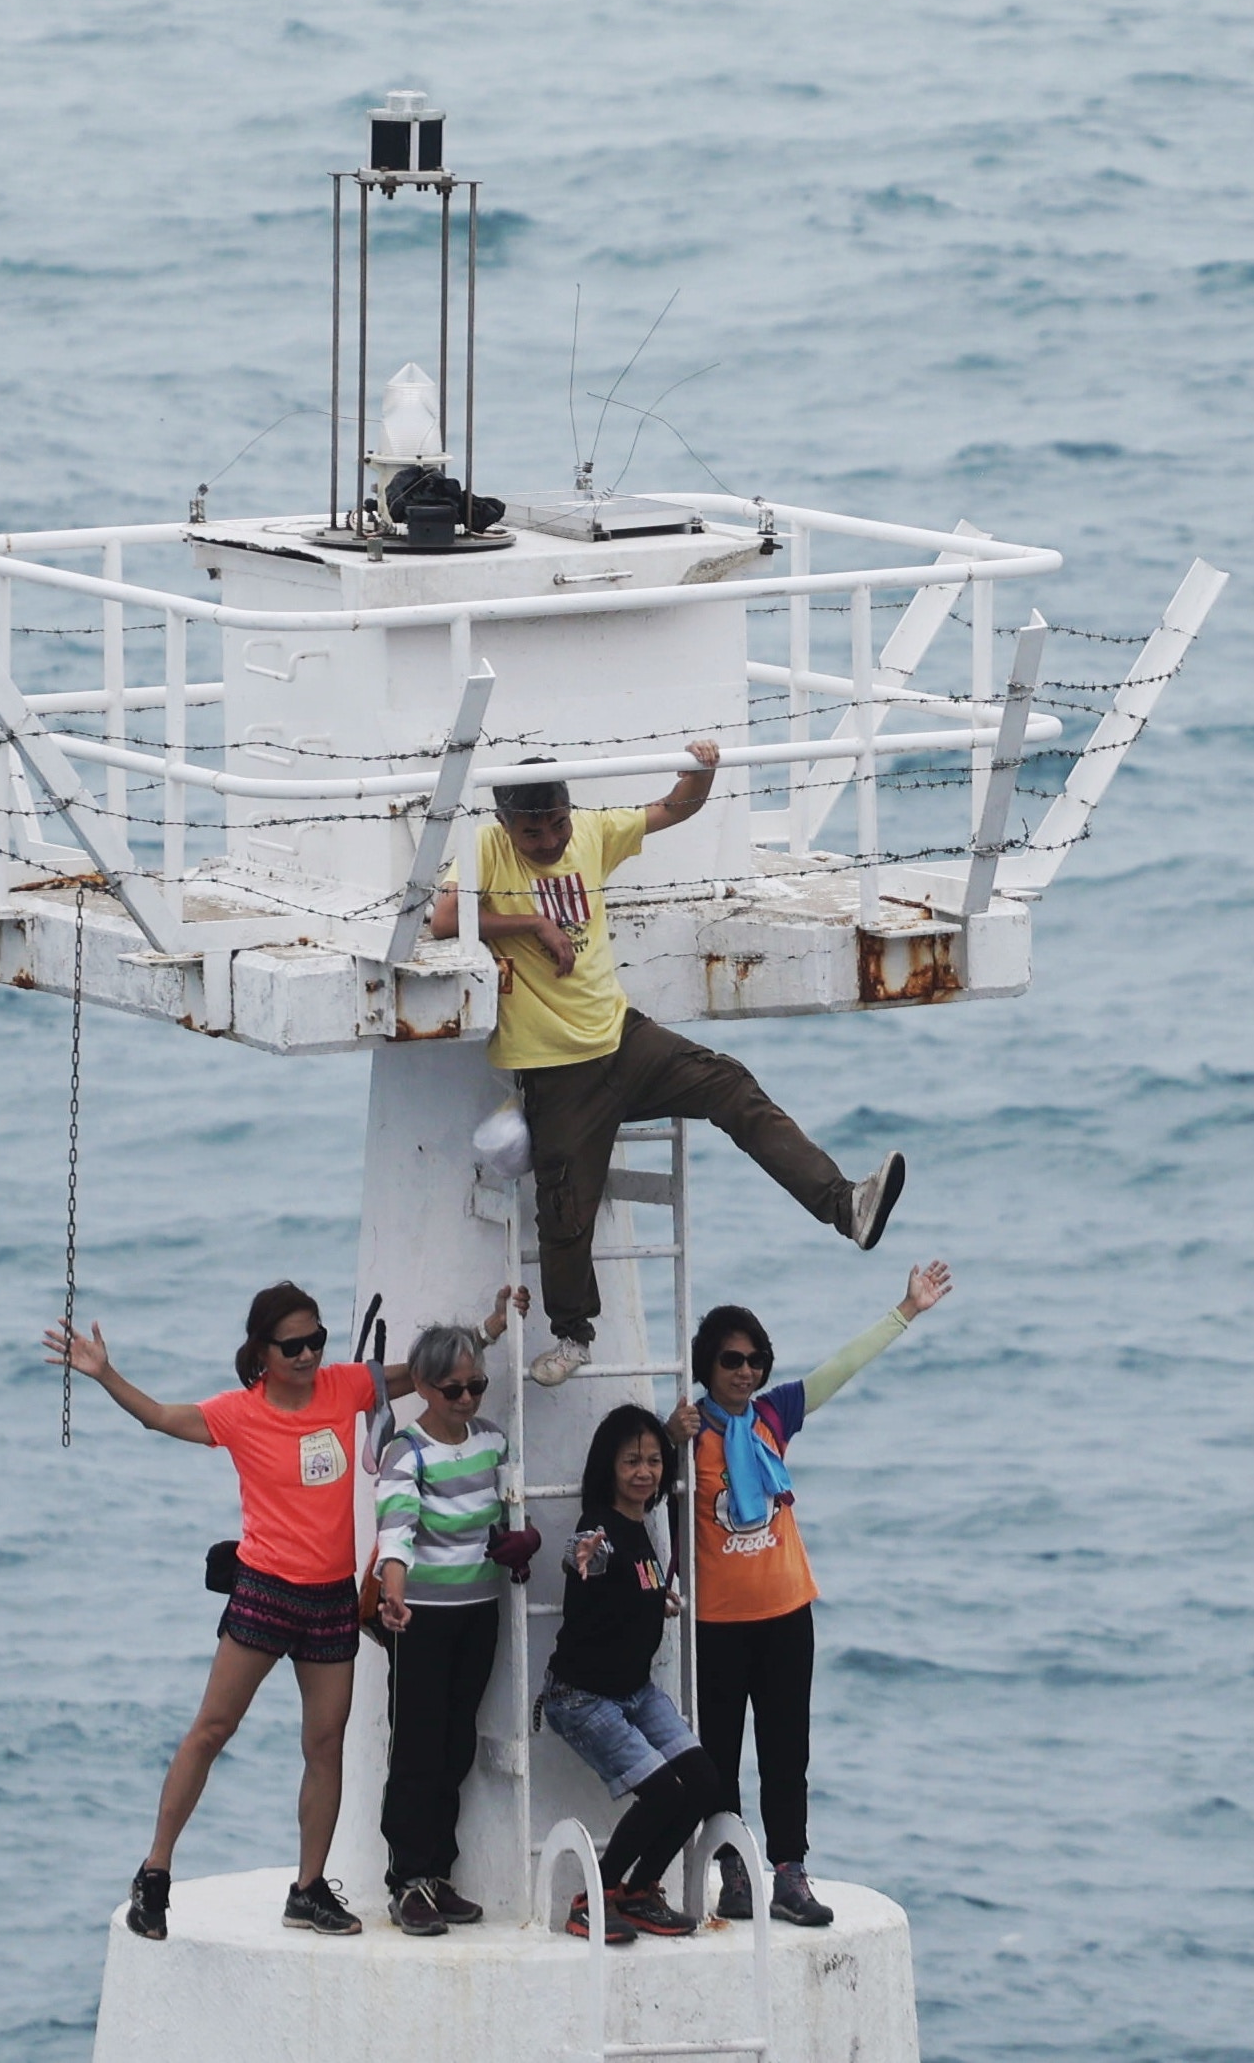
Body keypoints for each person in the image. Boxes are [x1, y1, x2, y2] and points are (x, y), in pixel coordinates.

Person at [427, 744, 909, 1390]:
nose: (547, 839)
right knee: (565, 1211)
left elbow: (670, 810)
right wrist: (531, 924)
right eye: (532, 830)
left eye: (557, 824)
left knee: (731, 1085)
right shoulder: (485, 847)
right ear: (508, 824)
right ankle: (574, 1336)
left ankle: (843, 1205)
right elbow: (443, 919)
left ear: (571, 810)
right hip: (553, 1068)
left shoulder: (591, 833)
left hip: (623, 1040)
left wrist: (700, 771)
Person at [46, 1281, 515, 1942]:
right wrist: (104, 1373)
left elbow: (428, 1374)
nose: (306, 1354)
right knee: (211, 1730)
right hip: (265, 1590)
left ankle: (308, 1888)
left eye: (315, 1340)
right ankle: (155, 1871)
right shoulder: (238, 1413)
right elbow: (159, 1416)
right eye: (292, 1345)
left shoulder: (346, 1387)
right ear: (260, 1352)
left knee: (324, 1746)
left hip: (328, 1599)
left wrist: (488, 1332)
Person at [674, 1261, 951, 1928]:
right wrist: (664, 1438)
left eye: (756, 1360)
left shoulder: (773, 1415)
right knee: (717, 1754)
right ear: (706, 1366)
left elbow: (840, 1367)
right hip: (715, 1623)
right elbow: (642, 1496)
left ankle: (788, 1875)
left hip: (785, 1613)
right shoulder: (683, 1438)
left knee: (785, 1750)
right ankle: (732, 1871)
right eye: (731, 1360)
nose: (745, 1372)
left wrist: (905, 1309)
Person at [366, 1319, 534, 1935]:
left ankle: (437, 1873)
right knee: (416, 1748)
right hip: (423, 1620)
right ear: (424, 1387)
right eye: (452, 1389)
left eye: (476, 1387)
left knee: (456, 1745)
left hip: (478, 1613)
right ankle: (406, 1880)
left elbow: (505, 1514)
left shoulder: (492, 1441)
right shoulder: (404, 1452)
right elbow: (397, 1529)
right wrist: (395, 1595)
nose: (466, 1400)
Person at [538, 1403, 718, 1943]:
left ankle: (639, 1894)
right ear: (608, 1469)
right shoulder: (601, 1526)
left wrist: (655, 1601)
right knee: (664, 1793)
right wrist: (582, 1556)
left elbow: (631, 1584)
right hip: (583, 1697)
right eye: (630, 1463)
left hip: (634, 1692)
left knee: (706, 1785)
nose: (644, 1472)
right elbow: (585, 1556)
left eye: (653, 1461)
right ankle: (592, 1900)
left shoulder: (642, 1522)